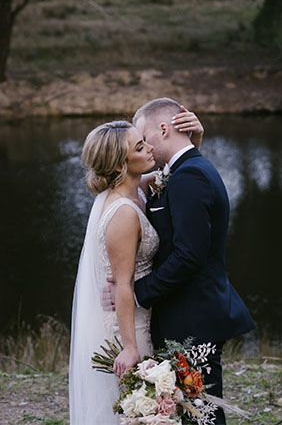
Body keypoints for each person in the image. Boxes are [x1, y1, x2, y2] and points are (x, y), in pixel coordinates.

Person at [107, 97, 256, 425]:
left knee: (203, 415)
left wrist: (135, 291)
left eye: (145, 138)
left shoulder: (190, 177)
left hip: (195, 319)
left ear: (163, 129)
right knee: (189, 413)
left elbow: (189, 256)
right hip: (185, 317)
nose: (144, 147)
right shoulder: (183, 171)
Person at [68, 109, 204, 424]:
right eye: (140, 147)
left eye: (145, 142)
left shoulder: (137, 188)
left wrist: (194, 139)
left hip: (139, 315)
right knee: (135, 408)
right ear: (120, 164)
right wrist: (129, 347)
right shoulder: (123, 213)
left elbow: (178, 169)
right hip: (127, 325)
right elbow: (123, 284)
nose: (150, 149)